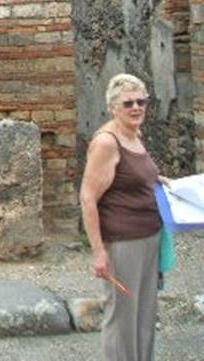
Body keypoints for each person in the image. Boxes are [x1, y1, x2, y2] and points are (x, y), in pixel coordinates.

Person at [79, 73, 166, 361]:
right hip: (123, 242)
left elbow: (133, 176)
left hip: (149, 236)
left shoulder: (134, 135)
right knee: (122, 318)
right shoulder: (107, 142)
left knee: (144, 315)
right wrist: (99, 252)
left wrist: (160, 182)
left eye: (141, 101)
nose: (136, 107)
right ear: (113, 107)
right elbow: (88, 198)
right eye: (128, 103)